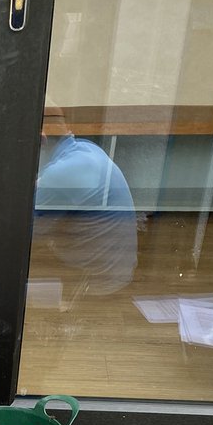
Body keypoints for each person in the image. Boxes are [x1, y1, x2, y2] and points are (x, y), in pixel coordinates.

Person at [31, 104, 138, 305]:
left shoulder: (64, 173)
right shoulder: (85, 149)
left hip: (96, 286)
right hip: (116, 272)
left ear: (42, 138)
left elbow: (24, 235)